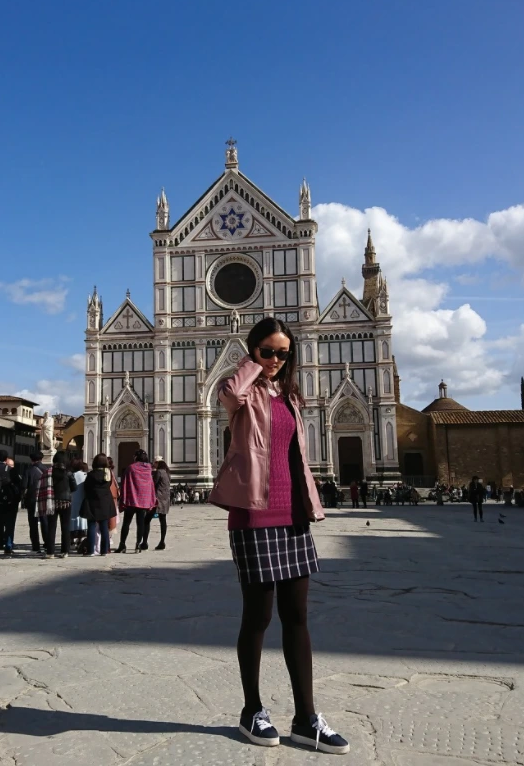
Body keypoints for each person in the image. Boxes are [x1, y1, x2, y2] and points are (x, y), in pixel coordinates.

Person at [209, 317, 349, 755]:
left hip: (293, 515)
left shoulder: (289, 396)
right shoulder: (241, 391)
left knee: (298, 618)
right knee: (258, 617)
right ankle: (252, 710)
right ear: (252, 351)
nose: (274, 360)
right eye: (267, 351)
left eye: (283, 353)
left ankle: (306, 718)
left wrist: (311, 503)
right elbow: (229, 394)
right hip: (254, 514)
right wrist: (251, 364)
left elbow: (296, 455)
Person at [117, 450, 155, 553]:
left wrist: (123, 496)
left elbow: (125, 482)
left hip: (131, 500)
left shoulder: (131, 468)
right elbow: (150, 485)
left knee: (126, 523)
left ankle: (122, 545)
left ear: (136, 457)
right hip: (143, 500)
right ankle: (138, 545)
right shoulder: (149, 469)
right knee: (140, 523)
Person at [82, 454, 117, 556]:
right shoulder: (108, 474)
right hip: (105, 502)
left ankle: (90, 550)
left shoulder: (91, 475)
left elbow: (86, 487)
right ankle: (104, 550)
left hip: (92, 501)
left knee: (91, 525)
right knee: (104, 526)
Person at [0, 450, 20, 555]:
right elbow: (19, 484)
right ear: (6, 459)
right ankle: (8, 546)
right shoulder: (11, 470)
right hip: (9, 502)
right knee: (9, 525)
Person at [22, 451, 52, 555]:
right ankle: (47, 544)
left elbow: (24, 486)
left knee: (33, 523)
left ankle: (35, 546)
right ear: (42, 459)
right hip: (44, 498)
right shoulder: (46, 469)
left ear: (31, 459)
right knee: (45, 521)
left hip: (32, 499)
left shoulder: (28, 470)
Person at [48, 453, 76, 557]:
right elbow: (74, 487)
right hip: (65, 502)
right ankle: (65, 551)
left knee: (51, 527)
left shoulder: (49, 472)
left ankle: (50, 552)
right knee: (65, 526)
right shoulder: (68, 473)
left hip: (51, 501)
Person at [152, 460, 171, 550]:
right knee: (163, 520)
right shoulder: (167, 473)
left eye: (155, 462)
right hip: (165, 499)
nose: (153, 464)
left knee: (146, 519)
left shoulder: (159, 472)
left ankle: (144, 542)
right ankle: (162, 541)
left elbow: (153, 483)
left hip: (157, 499)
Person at [70, 459, 88, 552]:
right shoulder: (85, 476)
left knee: (72, 520)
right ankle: (80, 540)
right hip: (82, 501)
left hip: (72, 502)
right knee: (82, 520)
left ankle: (71, 542)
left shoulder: (71, 475)